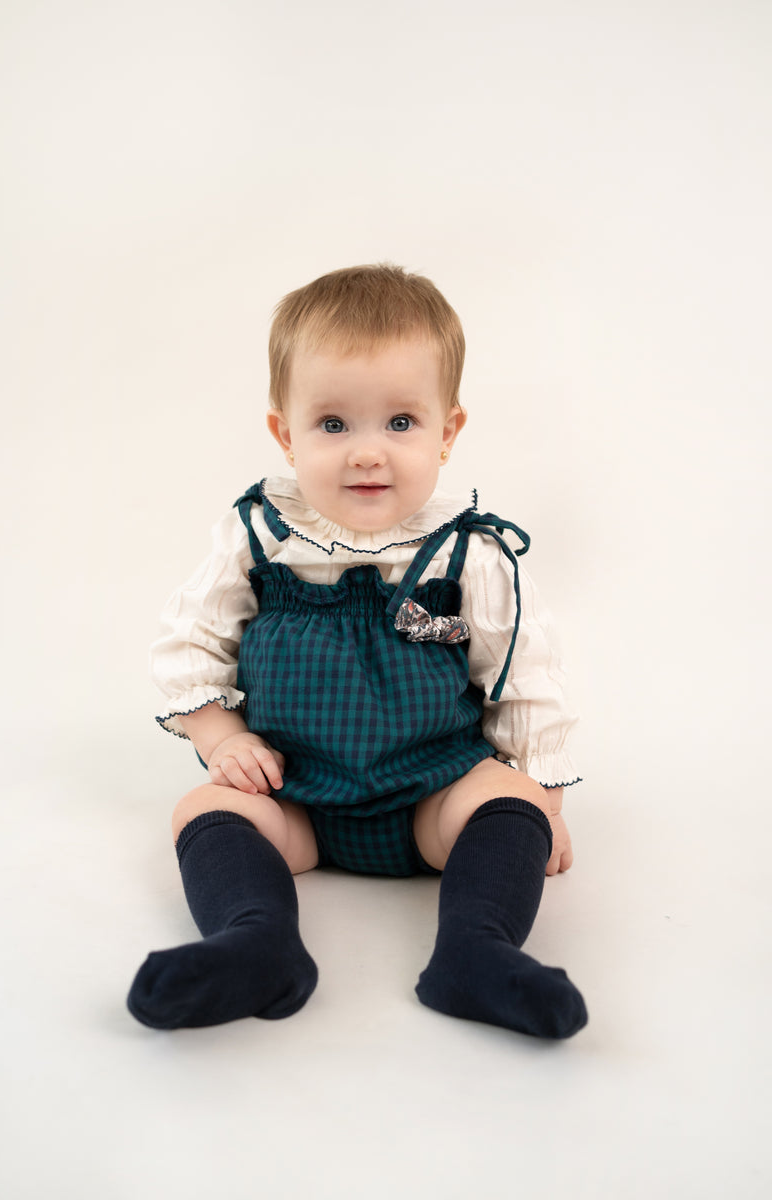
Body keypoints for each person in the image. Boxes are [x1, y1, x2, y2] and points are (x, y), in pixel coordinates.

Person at [127, 264, 587, 1039]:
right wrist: (221, 737)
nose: (367, 453)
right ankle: (254, 939)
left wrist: (545, 801)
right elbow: (188, 642)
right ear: (286, 432)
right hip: (294, 798)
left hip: (430, 799)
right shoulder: (260, 537)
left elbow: (526, 679)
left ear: (448, 431)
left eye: (400, 423)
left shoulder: (466, 555)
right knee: (203, 808)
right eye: (334, 425)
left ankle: (476, 952)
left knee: (504, 806)